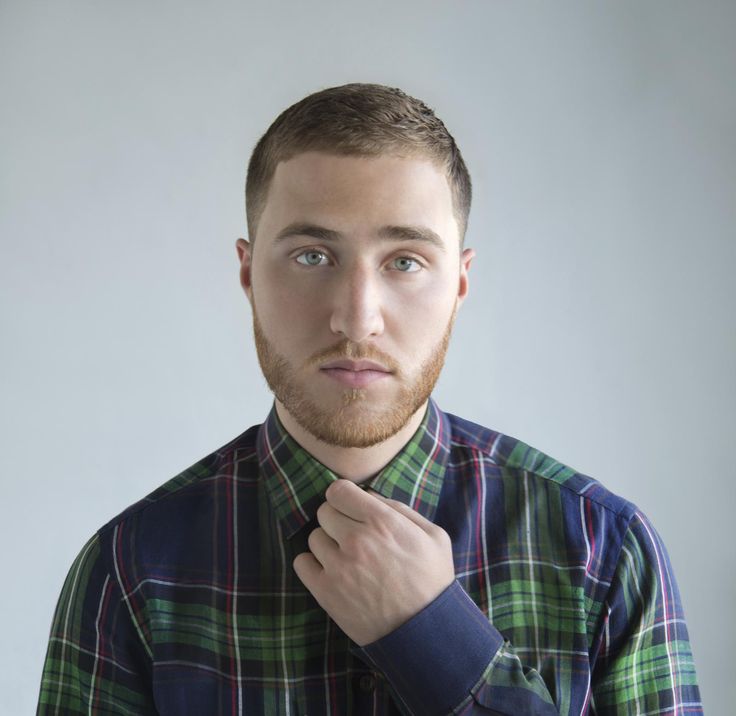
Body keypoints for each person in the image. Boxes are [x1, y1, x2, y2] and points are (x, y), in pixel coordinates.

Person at [37, 82, 702, 715]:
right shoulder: (129, 573)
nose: (357, 321)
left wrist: (434, 641)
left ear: (459, 285)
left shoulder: (604, 553)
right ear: (247, 273)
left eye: (405, 261)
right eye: (311, 256)